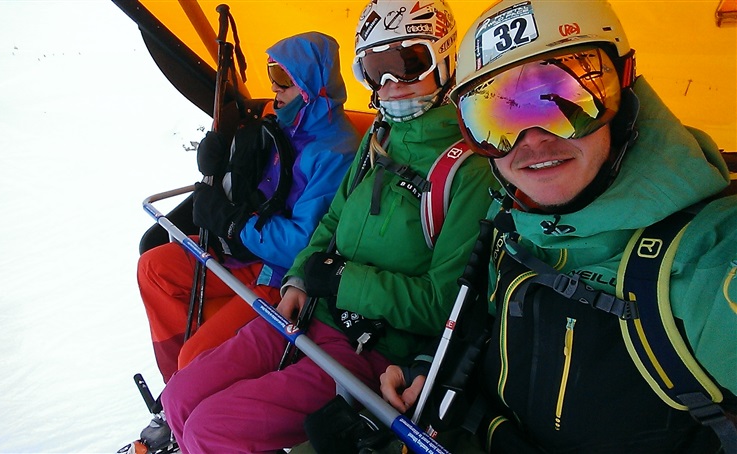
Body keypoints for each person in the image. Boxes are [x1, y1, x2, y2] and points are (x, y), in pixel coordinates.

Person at [379, 1, 737, 452]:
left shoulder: (711, 257)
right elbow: (478, 322)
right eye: (497, 118)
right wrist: (429, 368)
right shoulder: (509, 222)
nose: (532, 140)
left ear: (625, 86)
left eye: (566, 101)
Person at [160, 0, 499, 451]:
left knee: (210, 430)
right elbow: (332, 221)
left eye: (409, 62)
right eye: (376, 69)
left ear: (446, 61)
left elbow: (443, 306)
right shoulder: (379, 139)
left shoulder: (466, 171)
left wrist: (343, 280)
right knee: (179, 396)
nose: (392, 84)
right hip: (308, 312)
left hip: (369, 347)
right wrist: (300, 278)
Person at [134, 31, 359, 450]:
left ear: (311, 84)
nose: (274, 87)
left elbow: (300, 244)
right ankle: (175, 395)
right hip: (247, 253)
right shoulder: (286, 125)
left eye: (283, 78)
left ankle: (197, 396)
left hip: (280, 273)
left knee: (193, 357)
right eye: (271, 75)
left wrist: (234, 223)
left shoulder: (335, 152)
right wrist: (224, 158)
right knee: (155, 268)